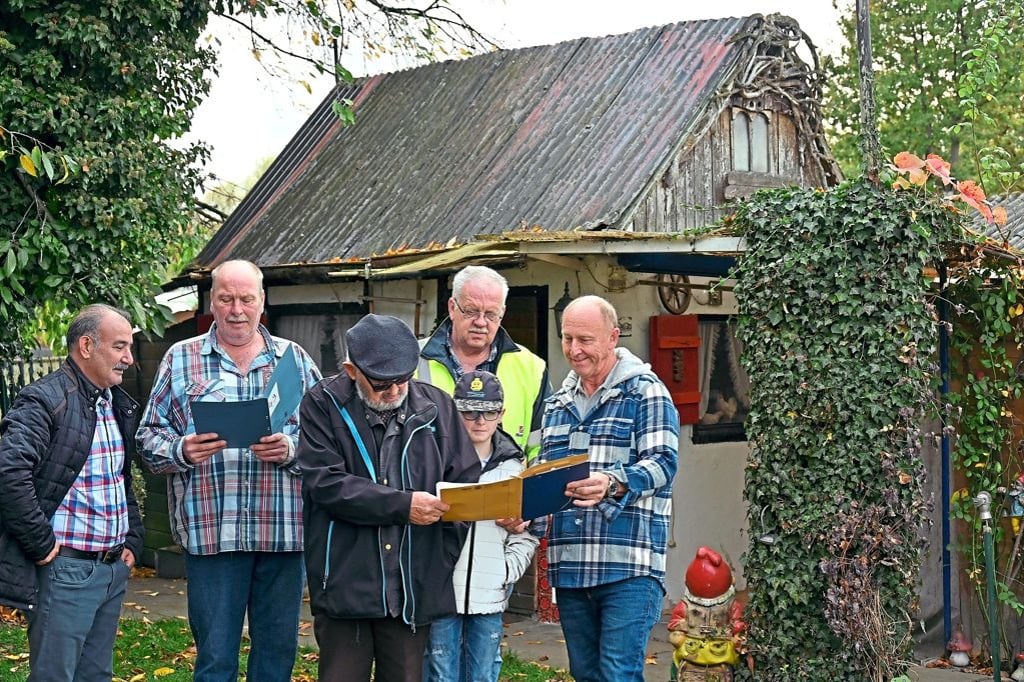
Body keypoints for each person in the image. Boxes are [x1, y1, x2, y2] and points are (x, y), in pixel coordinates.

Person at [136, 260, 322, 681]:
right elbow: (148, 438)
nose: (237, 309)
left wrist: (291, 449)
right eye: (226, 299)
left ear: (262, 302)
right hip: (212, 533)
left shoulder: (295, 361)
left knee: (276, 657)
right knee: (215, 659)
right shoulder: (180, 359)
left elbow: (328, 447)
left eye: (246, 299)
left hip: (283, 533)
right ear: (212, 303)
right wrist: (182, 449)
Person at [296, 313, 482, 682]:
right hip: (346, 584)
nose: (395, 391)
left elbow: (465, 482)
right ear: (352, 371)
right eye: (382, 384)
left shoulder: (437, 406)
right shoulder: (321, 403)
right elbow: (326, 483)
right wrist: (403, 506)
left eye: (404, 380)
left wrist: (439, 560)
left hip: (412, 586)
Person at [531, 295, 679, 682]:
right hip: (571, 567)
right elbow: (545, 476)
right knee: (586, 674)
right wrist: (522, 510)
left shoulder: (646, 391)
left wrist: (613, 483)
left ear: (613, 337)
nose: (574, 350)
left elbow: (664, 463)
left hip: (629, 565)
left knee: (617, 674)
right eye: (567, 339)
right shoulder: (557, 404)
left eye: (585, 339)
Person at [0, 304, 144, 681]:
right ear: (85, 345)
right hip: (66, 569)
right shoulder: (45, 400)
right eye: (119, 347)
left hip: (112, 570)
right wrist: (42, 544)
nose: (129, 358)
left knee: (96, 675)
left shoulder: (114, 402)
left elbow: (119, 477)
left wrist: (133, 537)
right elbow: (8, 473)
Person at [423, 371, 539, 682]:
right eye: (469, 412)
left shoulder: (514, 468)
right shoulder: (435, 459)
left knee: (484, 673)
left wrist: (506, 570)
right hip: (443, 591)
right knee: (439, 673)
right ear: (455, 413)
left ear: (501, 414)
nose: (479, 421)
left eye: (488, 412)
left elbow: (526, 530)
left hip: (489, 591)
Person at [417, 265, 550, 461]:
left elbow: (543, 446)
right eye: (471, 311)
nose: (481, 322)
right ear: (452, 308)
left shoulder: (531, 367)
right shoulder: (412, 360)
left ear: (502, 313)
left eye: (490, 314)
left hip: (506, 485)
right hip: (431, 489)